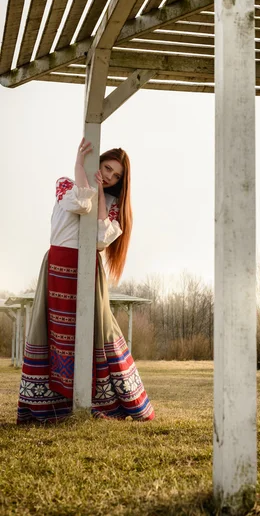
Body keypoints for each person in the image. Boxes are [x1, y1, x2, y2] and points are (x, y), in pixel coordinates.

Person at [17, 139, 155, 423]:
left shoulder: (113, 204)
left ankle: (103, 400)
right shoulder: (65, 183)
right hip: (57, 265)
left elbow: (102, 239)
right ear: (98, 162)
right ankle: (51, 406)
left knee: (94, 333)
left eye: (116, 175)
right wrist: (80, 165)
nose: (109, 176)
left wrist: (102, 193)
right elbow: (80, 203)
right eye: (107, 168)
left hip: (88, 270)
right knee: (52, 332)